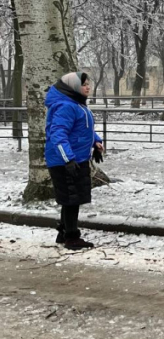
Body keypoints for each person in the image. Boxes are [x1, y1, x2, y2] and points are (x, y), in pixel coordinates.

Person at [44, 72, 105, 250]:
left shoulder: (77, 105)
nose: (88, 87)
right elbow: (58, 134)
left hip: (76, 159)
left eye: (88, 84)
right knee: (72, 199)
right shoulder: (66, 106)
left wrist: (96, 142)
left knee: (72, 198)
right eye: (83, 84)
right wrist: (68, 160)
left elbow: (82, 129)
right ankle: (71, 238)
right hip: (65, 162)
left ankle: (64, 232)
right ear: (73, 87)